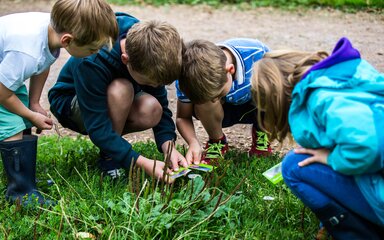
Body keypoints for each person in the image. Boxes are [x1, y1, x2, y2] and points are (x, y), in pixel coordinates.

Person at [250, 37, 384, 239]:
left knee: (294, 166)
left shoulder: (323, 98)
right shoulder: (345, 77)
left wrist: (331, 159)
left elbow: (368, 146)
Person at [0, 0, 118, 205]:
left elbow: (42, 63)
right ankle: (19, 193)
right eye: (92, 49)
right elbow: (2, 93)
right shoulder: (26, 52)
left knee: (21, 112)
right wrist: (29, 114)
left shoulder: (50, 33)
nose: (95, 53)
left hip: (5, 71)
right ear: (67, 40)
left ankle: (25, 179)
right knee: (11, 122)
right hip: (3, 82)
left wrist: (34, 103)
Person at [49, 13, 188, 183]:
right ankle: (109, 157)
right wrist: (140, 162)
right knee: (122, 88)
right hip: (71, 103)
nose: (154, 87)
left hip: (110, 97)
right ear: (125, 60)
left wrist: (169, 147)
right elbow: (98, 127)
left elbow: (161, 103)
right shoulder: (92, 60)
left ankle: (113, 146)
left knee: (152, 108)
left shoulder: (148, 44)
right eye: (149, 82)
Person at [175, 38, 272, 164]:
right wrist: (193, 142)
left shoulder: (258, 55)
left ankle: (262, 131)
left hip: (255, 104)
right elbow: (183, 117)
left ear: (230, 70)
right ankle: (217, 141)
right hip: (223, 112)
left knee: (270, 89)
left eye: (218, 95)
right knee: (206, 101)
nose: (214, 100)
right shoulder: (186, 78)